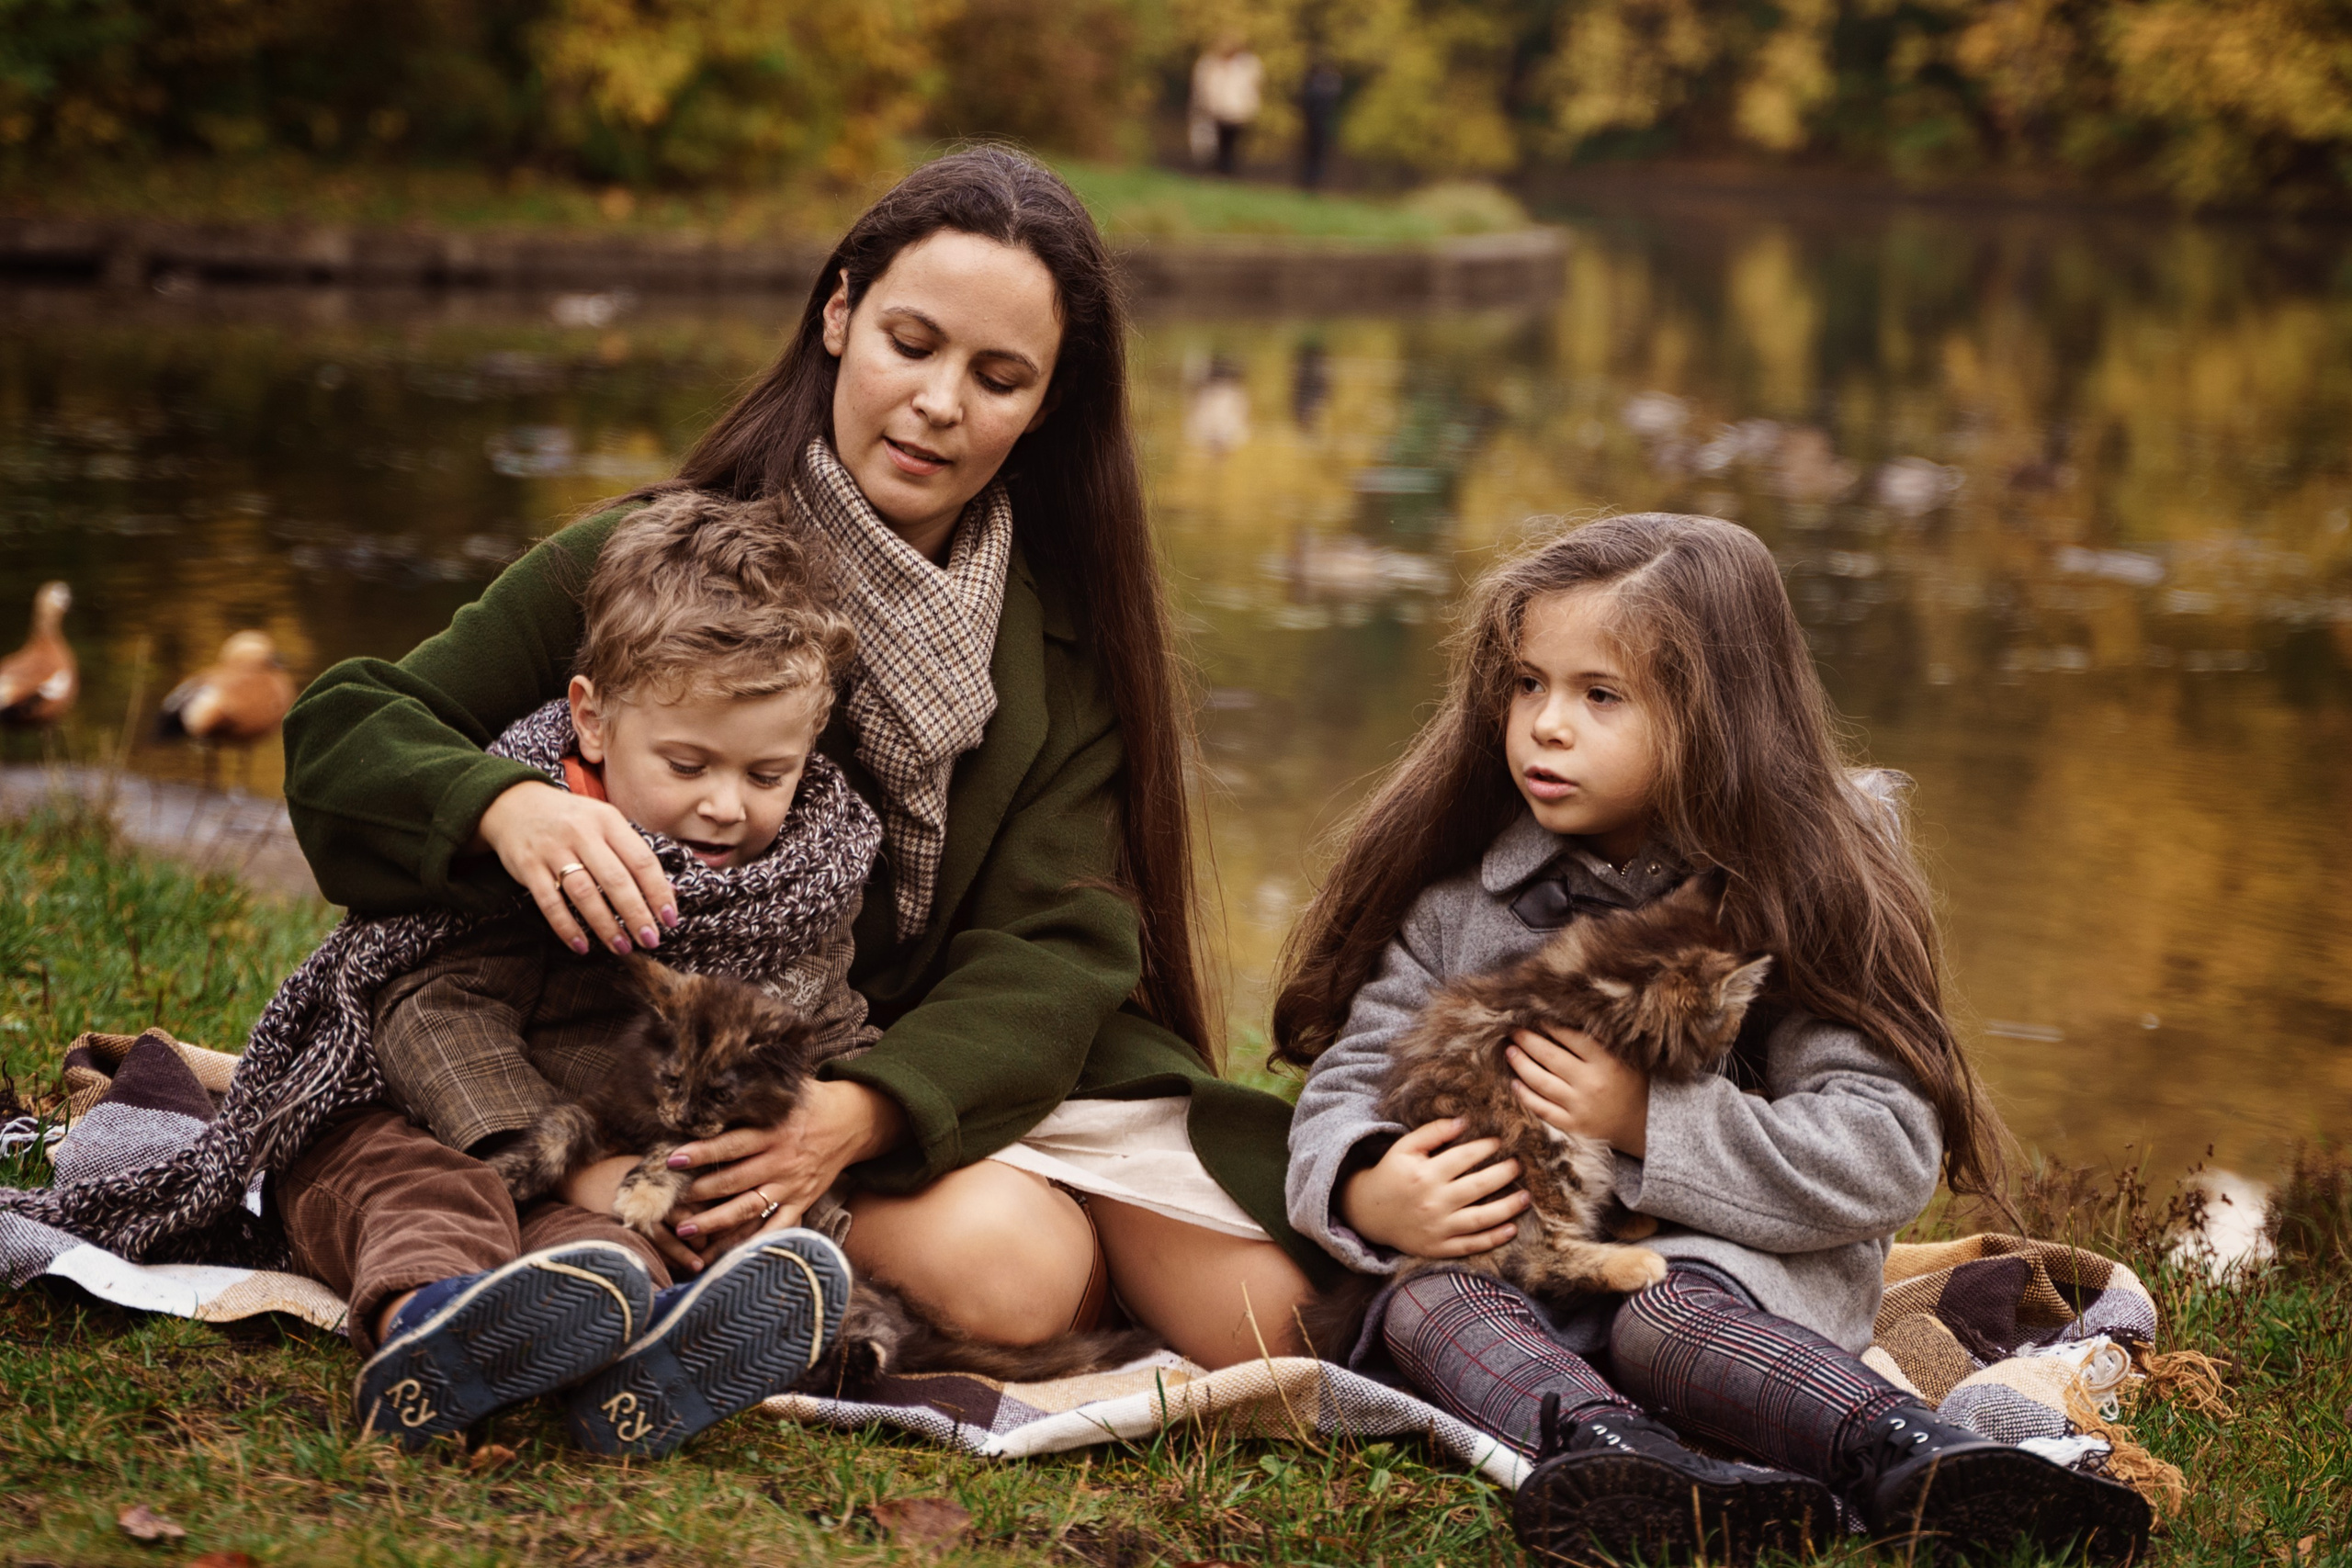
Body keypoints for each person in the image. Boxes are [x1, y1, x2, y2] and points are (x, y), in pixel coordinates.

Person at [280, 148, 1330, 1406]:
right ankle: (702, 1259)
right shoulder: (661, 561)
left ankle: (842, 1270)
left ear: (1048, 404)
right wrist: (508, 807)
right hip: (667, 1061)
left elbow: (1058, 946)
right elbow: (348, 728)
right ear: (838, 315)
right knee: (1019, 1273)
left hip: (929, 1064)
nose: (938, 403)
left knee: (1275, 1322)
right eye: (911, 343)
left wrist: (867, 1108)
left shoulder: (1065, 632)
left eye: (998, 377)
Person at [1274, 514, 2153, 1565]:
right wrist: (1365, 1184)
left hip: (1737, 1278)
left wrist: (1647, 1121)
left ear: (1717, 715)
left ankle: (1920, 1459)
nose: (1545, 725)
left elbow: (1881, 1150)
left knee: (1660, 1315)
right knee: (1423, 1303)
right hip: (1525, 1278)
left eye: (1600, 695)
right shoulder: (1459, 909)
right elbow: (1349, 1080)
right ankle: (1627, 1464)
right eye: (1527, 684)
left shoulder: (1799, 896)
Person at [294, 493, 876, 1456]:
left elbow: (825, 1018)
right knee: (427, 1192)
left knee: (611, 1251)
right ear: (594, 720)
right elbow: (431, 1005)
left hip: (614, 1173)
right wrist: (555, 1156)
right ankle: (427, 1327)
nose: (726, 806)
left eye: (766, 775)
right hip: (430, 1118)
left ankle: (638, 1353)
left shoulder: (804, 877)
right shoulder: (547, 836)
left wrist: (833, 1115)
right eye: (687, 764)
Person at [1191, 34, 1263, 177]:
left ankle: (1227, 169)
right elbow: (1203, 86)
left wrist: (1249, 106)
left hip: (1236, 111)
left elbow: (1252, 87)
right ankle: (1218, 169)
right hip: (1216, 109)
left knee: (1231, 141)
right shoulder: (1209, 63)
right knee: (1214, 141)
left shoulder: (1247, 64)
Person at [1297, 58, 1342, 188]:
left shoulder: (1321, 84)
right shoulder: (1327, 84)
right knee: (1314, 153)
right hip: (1316, 124)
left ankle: (1313, 180)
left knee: (1317, 153)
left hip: (1319, 124)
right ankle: (1311, 179)